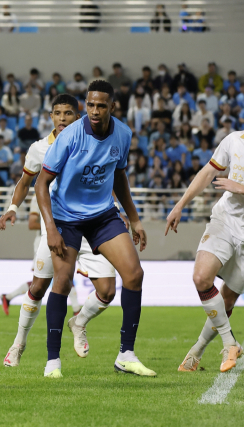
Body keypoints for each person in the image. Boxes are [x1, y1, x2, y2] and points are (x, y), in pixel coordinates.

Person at [35, 80, 154, 378]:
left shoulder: (123, 134)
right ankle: (53, 361)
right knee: (62, 281)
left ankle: (126, 355)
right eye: (90, 105)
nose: (95, 111)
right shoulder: (70, 137)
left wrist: (135, 218)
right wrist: (50, 228)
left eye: (102, 105)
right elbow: (41, 183)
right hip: (66, 217)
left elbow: (119, 178)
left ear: (112, 107)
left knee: (134, 274)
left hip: (102, 215)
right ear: (85, 106)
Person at [0, 93, 119, 366]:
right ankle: (18, 343)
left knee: (108, 290)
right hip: (56, 226)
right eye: (57, 113)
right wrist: (13, 208)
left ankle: (79, 321)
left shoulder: (91, 140)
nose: (62, 118)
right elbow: (26, 181)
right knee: (39, 286)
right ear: (50, 116)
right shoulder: (39, 148)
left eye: (68, 113)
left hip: (92, 223)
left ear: (78, 116)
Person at [166, 130, 244, 373]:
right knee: (201, 277)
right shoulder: (234, 139)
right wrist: (180, 205)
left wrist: (241, 188)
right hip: (225, 220)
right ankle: (230, 343)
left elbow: (237, 187)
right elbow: (208, 172)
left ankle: (196, 352)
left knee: (228, 297)